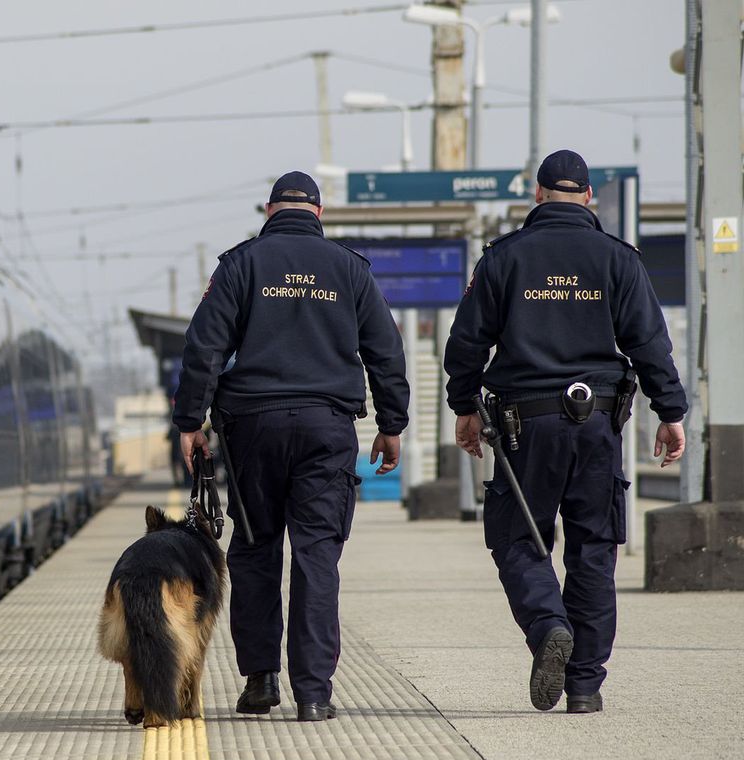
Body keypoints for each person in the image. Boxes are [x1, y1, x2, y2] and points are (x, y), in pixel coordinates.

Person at [444, 150, 687, 715]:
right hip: (599, 421)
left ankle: (549, 624)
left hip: (523, 424)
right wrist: (670, 411)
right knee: (594, 548)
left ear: (537, 193)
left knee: (517, 538)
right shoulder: (619, 259)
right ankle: (584, 685)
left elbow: (467, 341)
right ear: (588, 197)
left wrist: (465, 406)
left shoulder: (503, 257)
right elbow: (650, 344)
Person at [172, 171, 409, 722]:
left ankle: (260, 680)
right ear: (319, 213)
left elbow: (204, 345)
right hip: (327, 430)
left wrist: (189, 421)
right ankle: (314, 693)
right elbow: (386, 350)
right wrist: (391, 423)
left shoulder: (241, 264)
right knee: (316, 555)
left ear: (269, 210)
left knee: (256, 549)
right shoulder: (350, 269)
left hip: (252, 429)